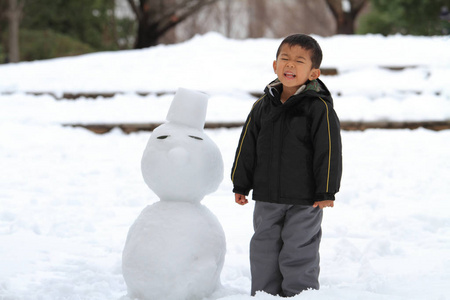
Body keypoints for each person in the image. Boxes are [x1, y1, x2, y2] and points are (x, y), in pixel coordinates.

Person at [230, 33, 342, 297]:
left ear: (313, 73)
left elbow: (329, 150)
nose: (290, 65)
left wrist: (326, 191)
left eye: (299, 61)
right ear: (274, 65)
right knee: (264, 246)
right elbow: (247, 146)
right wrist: (241, 183)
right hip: (267, 195)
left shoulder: (319, 108)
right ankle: (264, 293)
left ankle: (299, 294)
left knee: (299, 248)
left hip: (305, 199)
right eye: (285, 59)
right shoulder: (261, 106)